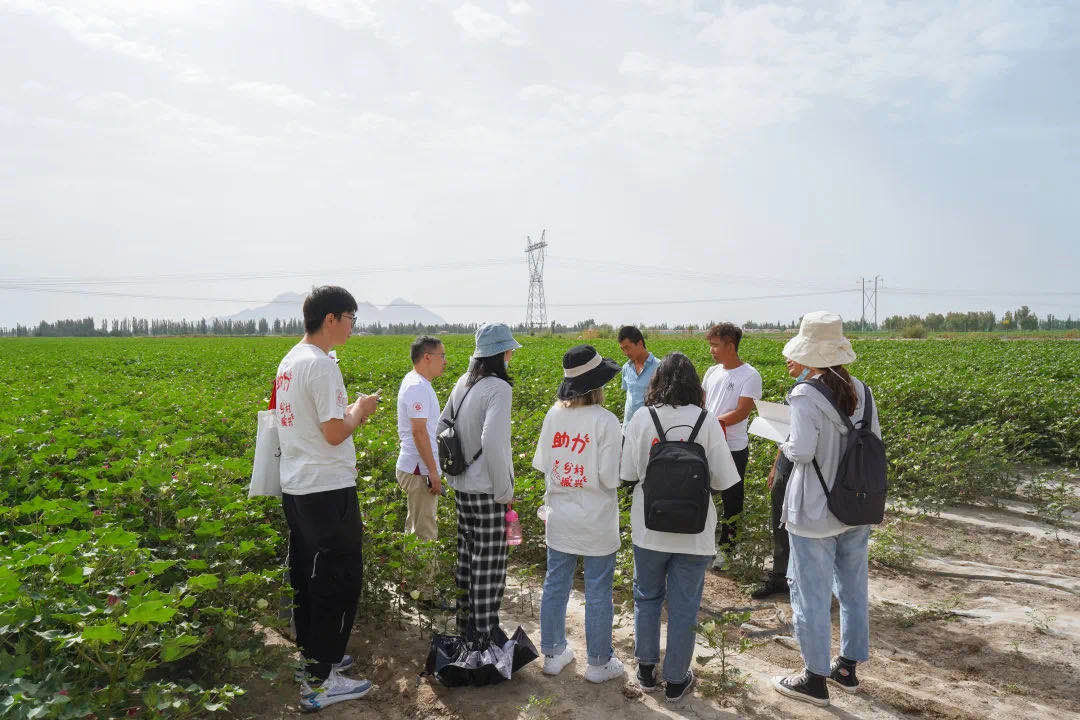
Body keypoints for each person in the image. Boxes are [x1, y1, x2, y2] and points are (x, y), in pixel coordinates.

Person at [274, 286, 379, 711]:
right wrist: (360, 410)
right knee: (338, 578)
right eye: (351, 319)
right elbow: (335, 432)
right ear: (331, 319)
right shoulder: (320, 367)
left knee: (308, 576)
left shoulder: (289, 360)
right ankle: (321, 681)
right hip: (326, 489)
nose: (353, 328)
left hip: (298, 485)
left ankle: (317, 659)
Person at [771, 311, 880, 707]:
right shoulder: (863, 391)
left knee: (810, 595)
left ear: (808, 353)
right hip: (856, 507)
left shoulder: (804, 395)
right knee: (853, 589)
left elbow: (800, 451)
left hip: (815, 511)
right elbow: (871, 441)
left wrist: (781, 440)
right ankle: (847, 668)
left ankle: (814, 677)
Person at [620, 353, 742, 704]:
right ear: (695, 384)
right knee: (685, 605)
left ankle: (645, 669)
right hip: (695, 531)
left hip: (649, 529)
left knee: (646, 597)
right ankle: (676, 680)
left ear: (658, 382)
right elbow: (722, 479)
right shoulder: (707, 422)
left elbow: (627, 474)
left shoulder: (643, 418)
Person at [532, 345, 624, 684]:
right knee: (598, 588)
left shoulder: (554, 415)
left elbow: (544, 464)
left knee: (556, 582)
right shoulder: (607, 421)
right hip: (596, 518)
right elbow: (609, 478)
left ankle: (553, 654)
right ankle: (599, 663)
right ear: (598, 384)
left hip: (559, 515)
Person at [438, 323, 520, 643]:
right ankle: (484, 642)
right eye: (509, 349)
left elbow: (442, 426)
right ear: (501, 353)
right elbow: (494, 442)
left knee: (468, 561)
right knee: (490, 568)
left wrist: (453, 472)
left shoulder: (463, 383)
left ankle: (465, 632)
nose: (511, 354)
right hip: (488, 491)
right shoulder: (499, 388)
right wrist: (505, 492)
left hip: (462, 488)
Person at [701, 323, 762, 570]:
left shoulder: (750, 375)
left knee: (732, 499)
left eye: (716, 345)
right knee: (702, 495)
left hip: (733, 446)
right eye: (711, 345)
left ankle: (727, 550)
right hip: (707, 444)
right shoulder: (711, 372)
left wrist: (708, 423)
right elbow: (702, 403)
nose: (712, 350)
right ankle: (705, 544)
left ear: (731, 345)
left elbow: (741, 412)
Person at [749, 355, 809, 599]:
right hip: (787, 459)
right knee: (779, 517)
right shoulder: (796, 389)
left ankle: (802, 580)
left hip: (806, 464)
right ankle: (780, 575)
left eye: (794, 357)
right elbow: (787, 431)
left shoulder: (819, 390)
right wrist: (776, 466)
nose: (787, 360)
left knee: (802, 522)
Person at [395, 336, 449, 607]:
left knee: (414, 526)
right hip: (418, 469)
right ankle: (425, 594)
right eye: (442, 356)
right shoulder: (417, 386)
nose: (445, 361)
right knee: (426, 530)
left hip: (415, 467)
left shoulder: (418, 383)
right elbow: (419, 432)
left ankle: (410, 585)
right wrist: (433, 471)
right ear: (427, 357)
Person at [617, 325, 659, 429]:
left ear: (640, 343)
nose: (626, 353)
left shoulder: (659, 367)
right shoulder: (626, 368)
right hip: (628, 428)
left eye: (628, 348)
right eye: (622, 349)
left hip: (650, 429)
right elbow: (629, 396)